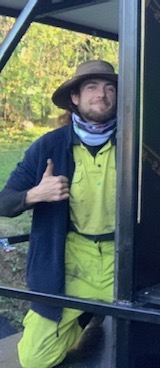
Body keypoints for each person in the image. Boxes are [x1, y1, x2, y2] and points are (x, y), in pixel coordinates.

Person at [0, 60, 118, 367]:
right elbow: (4, 202)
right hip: (72, 264)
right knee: (35, 359)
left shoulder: (138, 142)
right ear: (75, 98)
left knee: (157, 348)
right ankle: (85, 313)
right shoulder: (48, 147)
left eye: (109, 88)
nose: (101, 95)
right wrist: (35, 195)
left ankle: (93, 310)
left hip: (126, 263)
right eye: (91, 87)